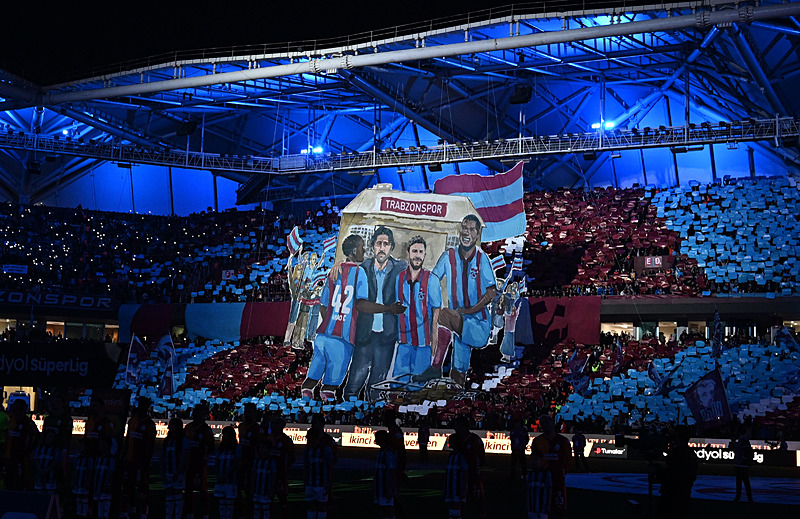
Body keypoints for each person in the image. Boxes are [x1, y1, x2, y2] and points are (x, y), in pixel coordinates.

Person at [415, 215, 497, 388]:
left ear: (477, 234)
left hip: (478, 324)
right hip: (459, 326)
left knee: (444, 315)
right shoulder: (448, 257)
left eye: (471, 229)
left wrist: (469, 311)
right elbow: (433, 279)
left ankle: (436, 367)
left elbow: (491, 292)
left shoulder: (482, 259)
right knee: (458, 374)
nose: (467, 233)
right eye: (464, 228)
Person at [302, 234, 369, 401]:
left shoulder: (332, 272)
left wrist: (330, 321)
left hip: (324, 334)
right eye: (362, 248)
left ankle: (305, 407)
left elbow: (324, 305)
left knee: (309, 383)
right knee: (329, 389)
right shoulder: (360, 273)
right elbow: (361, 305)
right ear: (354, 251)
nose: (364, 251)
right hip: (343, 337)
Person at [344, 226, 407, 402]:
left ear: (391, 247)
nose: (382, 247)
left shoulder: (401, 267)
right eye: (378, 243)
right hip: (365, 334)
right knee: (354, 383)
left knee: (377, 387)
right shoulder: (362, 267)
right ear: (372, 246)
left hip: (387, 336)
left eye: (386, 244)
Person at [387, 235, 441, 386]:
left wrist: (434, 344)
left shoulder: (432, 280)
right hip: (403, 342)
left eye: (420, 252)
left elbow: (436, 314)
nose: (417, 255)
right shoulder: (400, 278)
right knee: (398, 384)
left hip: (423, 343)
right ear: (408, 253)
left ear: (424, 254)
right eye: (414, 251)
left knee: (418, 387)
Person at [121, 397, 157, 519]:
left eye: (143, 405)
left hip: (141, 461)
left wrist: (146, 461)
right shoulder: (132, 421)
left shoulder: (149, 424)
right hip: (129, 460)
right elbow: (128, 439)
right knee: (127, 486)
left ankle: (143, 512)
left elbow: (150, 445)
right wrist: (124, 455)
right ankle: (129, 509)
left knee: (142, 487)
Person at [532, 415, 572, 519]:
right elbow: (534, 460)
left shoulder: (563, 441)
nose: (545, 424)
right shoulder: (537, 441)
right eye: (543, 423)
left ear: (552, 423)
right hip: (542, 478)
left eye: (547, 422)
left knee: (559, 506)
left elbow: (569, 460)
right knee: (542, 505)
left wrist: (563, 471)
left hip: (557, 477)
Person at [448, 416, 487, 519]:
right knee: (460, 502)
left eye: (457, 425)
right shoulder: (455, 439)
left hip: (473, 476)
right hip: (459, 478)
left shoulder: (474, 440)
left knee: (478, 501)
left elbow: (482, 459)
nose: (455, 428)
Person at [655, 426, 698, 519]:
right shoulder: (689, 452)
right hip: (683, 493)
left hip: (674, 493)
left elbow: (673, 473)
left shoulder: (680, 452)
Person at [184, 405, 215, 519]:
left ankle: (205, 514)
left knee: (203, 490)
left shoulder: (206, 430)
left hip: (201, 463)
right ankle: (190, 513)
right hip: (188, 463)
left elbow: (211, 447)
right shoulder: (188, 427)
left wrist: (204, 454)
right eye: (196, 413)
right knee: (188, 490)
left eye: (200, 413)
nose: (197, 415)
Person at [304, 413, 336, 519]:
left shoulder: (328, 442)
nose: (313, 425)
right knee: (311, 505)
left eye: (315, 423)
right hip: (311, 480)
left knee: (323, 505)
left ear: (321, 424)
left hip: (322, 481)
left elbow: (332, 462)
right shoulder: (310, 443)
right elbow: (306, 462)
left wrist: (329, 482)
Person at [4, 398, 39, 490]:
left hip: (21, 457)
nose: (14, 411)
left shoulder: (27, 422)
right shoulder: (10, 420)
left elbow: (37, 436)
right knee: (8, 478)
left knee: (20, 479)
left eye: (16, 409)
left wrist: (30, 451)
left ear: (22, 410)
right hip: (8, 455)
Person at [238, 403, 264, 519]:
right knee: (238, 489)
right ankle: (240, 512)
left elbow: (260, 446)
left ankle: (250, 513)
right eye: (246, 411)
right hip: (241, 461)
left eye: (249, 411)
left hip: (252, 462)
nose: (247, 413)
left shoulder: (257, 428)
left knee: (250, 490)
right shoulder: (242, 426)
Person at [268, 416, 296, 517]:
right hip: (269, 472)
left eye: (276, 424)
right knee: (268, 495)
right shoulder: (269, 438)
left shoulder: (286, 440)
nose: (273, 426)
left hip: (281, 473)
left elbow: (292, 457)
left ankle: (284, 514)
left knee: (282, 495)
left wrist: (285, 467)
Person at [162, 418, 187, 519]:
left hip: (177, 472)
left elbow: (184, 457)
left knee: (177, 493)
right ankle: (168, 516)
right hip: (168, 471)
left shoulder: (182, 440)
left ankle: (177, 516)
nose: (169, 428)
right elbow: (163, 456)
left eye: (171, 425)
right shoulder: (167, 441)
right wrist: (163, 470)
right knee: (169, 493)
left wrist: (179, 471)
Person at [215, 426, 240, 519]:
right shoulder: (221, 448)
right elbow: (217, 462)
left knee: (229, 502)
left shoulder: (236, 448)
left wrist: (226, 475)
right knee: (222, 502)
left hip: (231, 480)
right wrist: (219, 475)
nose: (225, 436)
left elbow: (236, 464)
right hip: (221, 478)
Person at [373, 430, 398, 519]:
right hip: (380, 487)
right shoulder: (381, 452)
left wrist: (390, 488)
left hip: (385, 487)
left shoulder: (388, 453)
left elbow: (391, 471)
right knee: (382, 510)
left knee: (388, 510)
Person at [251, 437, 277, 519]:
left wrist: (271, 490)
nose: (261, 450)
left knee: (266, 509)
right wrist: (252, 488)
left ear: (269, 449)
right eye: (260, 448)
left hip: (266, 490)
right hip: (257, 490)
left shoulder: (272, 462)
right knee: (256, 509)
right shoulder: (256, 461)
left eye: (263, 448)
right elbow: (253, 475)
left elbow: (274, 477)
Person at [92, 437, 116, 519]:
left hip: (106, 489)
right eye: (100, 444)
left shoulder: (111, 460)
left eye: (102, 444)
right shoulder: (98, 458)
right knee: (99, 507)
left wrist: (108, 485)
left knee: (105, 507)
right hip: (98, 488)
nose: (100, 446)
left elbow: (111, 474)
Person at [527, 449, 553, 519]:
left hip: (543, 509)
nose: (534, 462)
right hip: (531, 508)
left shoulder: (546, 474)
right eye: (532, 460)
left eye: (536, 460)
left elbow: (549, 490)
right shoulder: (530, 474)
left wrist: (549, 505)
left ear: (541, 461)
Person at [72, 438, 94, 519]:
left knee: (84, 498)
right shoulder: (78, 457)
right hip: (77, 482)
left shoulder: (89, 459)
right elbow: (75, 469)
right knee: (78, 498)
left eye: (82, 446)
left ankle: (84, 514)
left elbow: (90, 472)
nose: (80, 447)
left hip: (84, 483)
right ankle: (78, 513)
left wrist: (87, 482)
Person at [731, 433, 754, 503]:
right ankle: (748, 497)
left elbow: (732, 448)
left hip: (740, 465)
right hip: (742, 465)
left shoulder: (739, 446)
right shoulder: (746, 447)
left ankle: (739, 496)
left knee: (740, 482)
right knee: (745, 482)